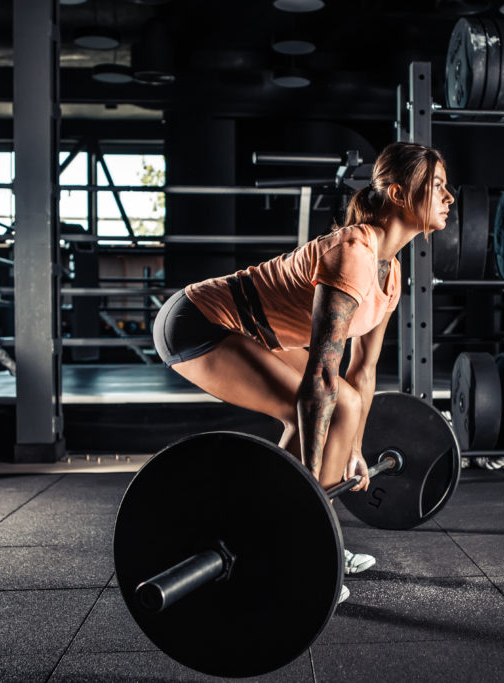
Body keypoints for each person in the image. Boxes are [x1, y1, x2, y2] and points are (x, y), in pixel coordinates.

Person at [152, 141, 454, 603]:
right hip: (197, 321)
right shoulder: (354, 253)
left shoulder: (390, 274)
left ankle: (316, 536)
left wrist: (353, 450)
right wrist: (309, 497)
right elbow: (320, 378)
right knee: (327, 405)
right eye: (437, 187)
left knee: (347, 405)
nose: (449, 198)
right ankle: (304, 542)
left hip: (255, 334)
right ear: (397, 193)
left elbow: (365, 370)